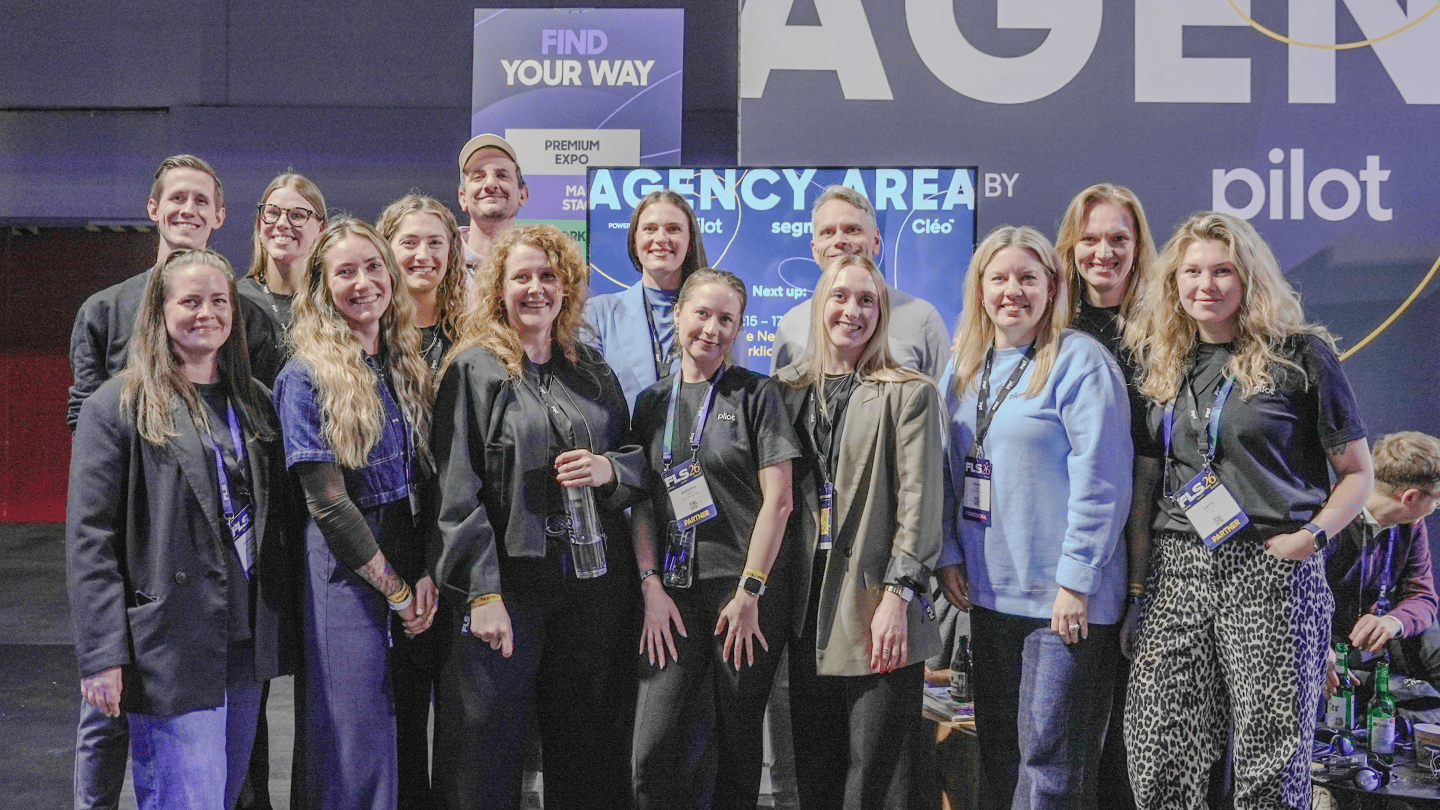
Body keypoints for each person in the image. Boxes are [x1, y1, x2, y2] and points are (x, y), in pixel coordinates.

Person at [1122, 212, 1373, 810]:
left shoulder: (1300, 355)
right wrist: (1138, 586)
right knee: (1157, 744)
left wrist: (1310, 538)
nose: (1205, 285)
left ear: (1249, 277)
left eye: (1222, 271)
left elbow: (1359, 474)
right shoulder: (1166, 359)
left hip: (1273, 569)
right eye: (1191, 272)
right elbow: (1154, 475)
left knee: (1270, 752)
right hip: (1180, 568)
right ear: (1173, 282)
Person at [65, 154, 285, 810]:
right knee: (181, 798)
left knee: (219, 794)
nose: (208, 313)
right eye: (191, 302)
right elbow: (91, 539)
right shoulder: (118, 406)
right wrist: (102, 653)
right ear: (159, 313)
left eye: (219, 302)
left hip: (242, 646)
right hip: (170, 642)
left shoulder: (256, 403)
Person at [428, 225, 645, 810]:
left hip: (592, 591)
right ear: (499, 287)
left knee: (591, 750)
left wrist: (608, 470)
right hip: (509, 593)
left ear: (567, 287)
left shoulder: (592, 370)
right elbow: (455, 491)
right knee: (486, 753)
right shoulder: (473, 370)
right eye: (521, 276)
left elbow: (634, 457)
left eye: (548, 276)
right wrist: (481, 593)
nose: (535, 288)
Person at [935, 225, 1133, 810]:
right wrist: (949, 553)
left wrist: (1076, 582)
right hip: (991, 597)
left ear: (1052, 287)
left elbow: (1104, 481)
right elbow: (948, 474)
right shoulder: (964, 369)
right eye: (999, 278)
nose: (1012, 291)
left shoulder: (1080, 362)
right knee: (999, 758)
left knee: (1050, 769)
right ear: (979, 289)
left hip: (1063, 606)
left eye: (1028, 277)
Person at [273, 217, 436, 810]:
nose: (363, 282)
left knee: (397, 731)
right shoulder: (303, 377)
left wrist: (421, 576)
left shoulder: (403, 365)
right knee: (352, 737)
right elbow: (328, 504)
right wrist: (395, 590)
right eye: (345, 271)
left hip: (408, 559)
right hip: (346, 570)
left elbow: (425, 485)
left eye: (373, 267)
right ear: (321, 286)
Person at [775, 253, 944, 809]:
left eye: (867, 300)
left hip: (877, 603)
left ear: (882, 313)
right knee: (816, 769)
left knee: (877, 777)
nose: (852, 310)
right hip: (805, 603)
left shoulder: (908, 391)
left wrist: (899, 595)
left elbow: (920, 507)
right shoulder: (782, 391)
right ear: (820, 304)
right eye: (840, 296)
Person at [630, 268, 800, 810]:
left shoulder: (757, 394)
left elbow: (780, 501)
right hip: (673, 595)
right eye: (702, 313)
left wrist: (750, 592)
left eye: (727, 318)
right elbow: (641, 502)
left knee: (735, 740)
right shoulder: (651, 402)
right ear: (677, 315)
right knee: (652, 746)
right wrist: (650, 587)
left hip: (744, 597)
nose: (712, 327)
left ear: (740, 328)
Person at [1052, 182, 1158, 810]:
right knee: (1068, 725)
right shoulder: (1051, 325)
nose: (1103, 251)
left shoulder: (1168, 325)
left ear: (1138, 245)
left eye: (1119, 238)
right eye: (1089, 238)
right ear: (1072, 245)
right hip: (1074, 547)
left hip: (1152, 542)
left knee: (1137, 720)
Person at [768, 185, 950, 379]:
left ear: (876, 241)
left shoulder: (923, 320)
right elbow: (776, 406)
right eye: (827, 232)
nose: (839, 240)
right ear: (814, 250)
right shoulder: (791, 324)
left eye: (852, 230)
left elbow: (945, 406)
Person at [1324, 431, 1440, 690]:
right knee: (1413, 694)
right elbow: (1292, 598)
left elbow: (1422, 596)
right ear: (1409, 497)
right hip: (1326, 640)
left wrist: (1393, 622)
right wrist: (1318, 650)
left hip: (1375, 633)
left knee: (1430, 637)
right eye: (1437, 500)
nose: (1435, 508)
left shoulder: (1411, 525)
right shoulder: (1329, 517)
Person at [584, 189, 709, 409]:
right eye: (650, 229)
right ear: (634, 242)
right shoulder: (597, 313)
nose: (661, 239)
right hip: (621, 443)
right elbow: (587, 402)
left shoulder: (716, 314)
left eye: (673, 229)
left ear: (690, 242)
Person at [378, 193, 468, 375]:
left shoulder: (469, 335)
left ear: (451, 253)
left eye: (435, 243)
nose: (423, 255)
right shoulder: (368, 334)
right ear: (385, 250)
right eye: (409, 243)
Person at [239, 172, 327, 337]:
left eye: (298, 215)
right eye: (273, 213)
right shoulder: (236, 301)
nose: (282, 224)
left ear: (320, 229)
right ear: (259, 223)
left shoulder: (333, 300)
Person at [457, 134, 528, 274]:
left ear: (522, 195)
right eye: (478, 177)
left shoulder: (544, 265)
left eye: (502, 175)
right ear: (463, 198)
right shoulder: (441, 261)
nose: (490, 184)